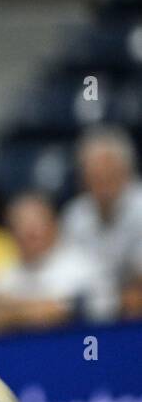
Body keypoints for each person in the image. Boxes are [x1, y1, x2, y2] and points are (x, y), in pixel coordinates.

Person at [0, 191, 113, 337]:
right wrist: (25, 311)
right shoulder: (3, 274)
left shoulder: (83, 267)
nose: (27, 235)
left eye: (35, 228)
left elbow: (55, 314)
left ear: (53, 226)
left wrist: (1, 307)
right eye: (20, 228)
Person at [60, 125, 142, 316]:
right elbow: (68, 277)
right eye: (94, 177)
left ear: (126, 171)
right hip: (91, 311)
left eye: (109, 175)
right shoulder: (75, 216)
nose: (102, 185)